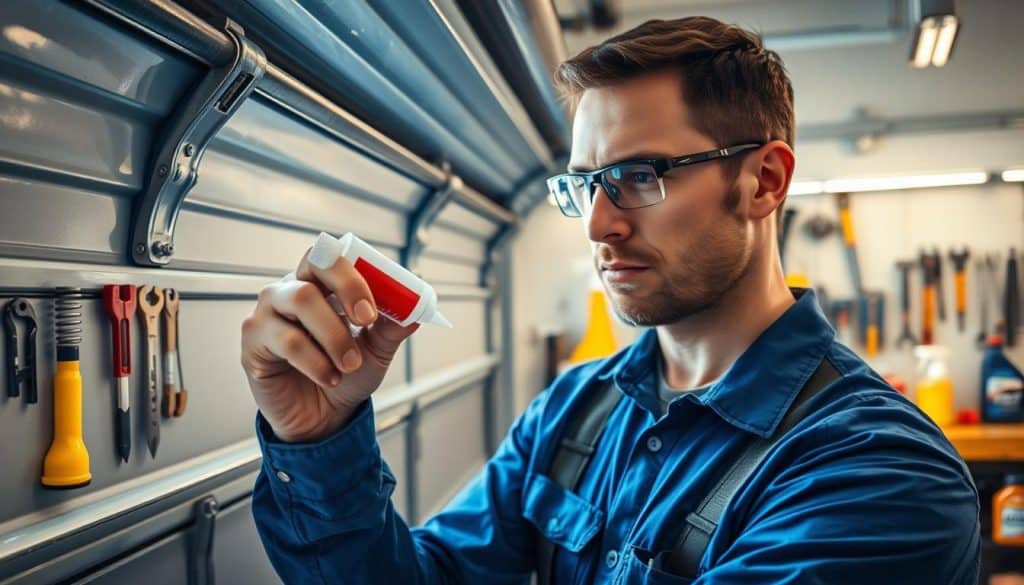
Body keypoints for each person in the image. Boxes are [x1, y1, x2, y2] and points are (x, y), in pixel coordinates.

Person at [241, 16, 980, 584]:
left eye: (641, 175)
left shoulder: (878, 474)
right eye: (584, 184)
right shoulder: (573, 413)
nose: (599, 223)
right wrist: (318, 435)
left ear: (764, 181)